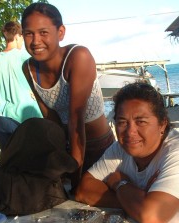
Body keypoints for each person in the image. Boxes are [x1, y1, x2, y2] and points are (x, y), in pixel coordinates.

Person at [75, 82, 179, 223]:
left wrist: (120, 183)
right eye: (122, 122)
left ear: (162, 124)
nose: (130, 132)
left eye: (141, 122)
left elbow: (151, 216)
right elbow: (84, 190)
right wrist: (136, 203)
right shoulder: (121, 148)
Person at [21, 2, 115, 189]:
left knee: (85, 195)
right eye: (28, 33)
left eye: (43, 32)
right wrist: (59, 158)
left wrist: (74, 173)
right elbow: (51, 117)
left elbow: (75, 118)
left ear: (61, 32)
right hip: (68, 145)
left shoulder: (78, 57)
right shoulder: (28, 68)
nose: (35, 41)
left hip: (99, 147)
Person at [0, 21, 43, 180]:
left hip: (9, 116)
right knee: (37, 157)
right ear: (19, 36)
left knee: (14, 156)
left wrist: (1, 96)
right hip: (31, 113)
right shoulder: (26, 57)